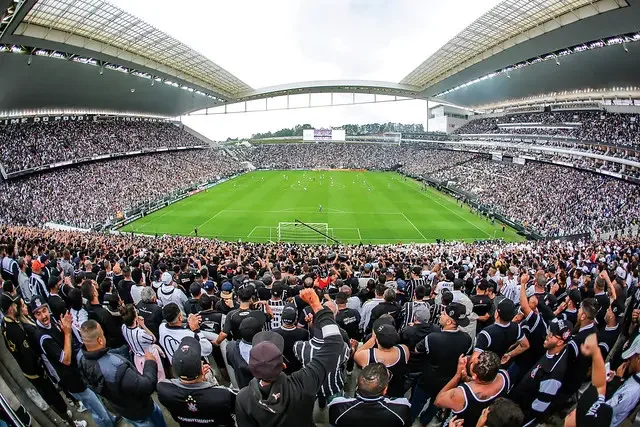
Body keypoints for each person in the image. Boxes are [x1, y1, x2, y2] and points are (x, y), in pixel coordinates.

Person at [235, 288, 345, 427]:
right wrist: (317, 305)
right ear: (283, 365)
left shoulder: (243, 398)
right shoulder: (303, 382)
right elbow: (334, 343)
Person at [1, 294, 85, 427]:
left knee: (55, 397)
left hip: (32, 369)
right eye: (17, 305)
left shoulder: (5, 324)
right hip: (36, 371)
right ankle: (70, 423)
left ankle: (67, 416)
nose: (19, 307)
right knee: (55, 399)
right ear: (11, 308)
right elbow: (28, 354)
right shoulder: (17, 330)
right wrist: (41, 368)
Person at [30, 296, 115, 427]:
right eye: (38, 313)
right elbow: (66, 359)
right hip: (72, 380)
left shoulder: (52, 320)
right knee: (97, 409)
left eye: (44, 310)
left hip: (78, 372)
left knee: (97, 403)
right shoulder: (43, 336)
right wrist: (67, 332)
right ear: (34, 315)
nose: (43, 316)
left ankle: (110, 419)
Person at [77, 320, 166, 427]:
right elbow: (146, 386)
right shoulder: (116, 367)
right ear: (100, 340)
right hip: (140, 410)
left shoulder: (80, 357)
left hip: (121, 408)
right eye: (103, 334)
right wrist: (150, 362)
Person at [410, 302, 472, 425]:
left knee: (417, 402)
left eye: (443, 314)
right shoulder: (467, 339)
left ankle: (409, 420)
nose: (440, 315)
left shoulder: (432, 338)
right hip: (448, 382)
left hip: (428, 380)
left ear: (449, 321)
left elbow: (417, 349)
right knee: (435, 404)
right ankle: (424, 421)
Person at [157, 337, 237, 426]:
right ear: (202, 370)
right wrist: (210, 382)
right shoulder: (224, 395)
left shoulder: (163, 389)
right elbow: (236, 410)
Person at [509, 318, 572, 425]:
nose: (548, 336)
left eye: (552, 335)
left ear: (560, 342)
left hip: (520, 415)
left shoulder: (553, 374)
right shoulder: (553, 351)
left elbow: (538, 409)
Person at [435, 351, 510, 427]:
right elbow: (484, 384)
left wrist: (457, 375)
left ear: (475, 376)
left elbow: (438, 401)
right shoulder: (504, 376)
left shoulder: (461, 394)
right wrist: (467, 379)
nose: (473, 359)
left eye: (471, 364)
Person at [328, 363, 411, 426]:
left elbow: (333, 423)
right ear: (385, 389)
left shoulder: (338, 406)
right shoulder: (401, 408)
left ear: (357, 383)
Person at [564, 333, 612, 427]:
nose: (572, 412)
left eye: (577, 413)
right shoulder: (598, 407)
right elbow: (600, 386)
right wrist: (595, 352)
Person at [354, 318, 409, 398]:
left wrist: (373, 339)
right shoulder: (404, 350)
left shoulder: (368, 355)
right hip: (395, 392)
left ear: (377, 340)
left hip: (372, 393)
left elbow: (356, 354)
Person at [473, 297, 530, 361]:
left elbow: (474, 359)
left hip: (486, 366)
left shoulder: (486, 333)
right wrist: (509, 354)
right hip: (499, 362)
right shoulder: (516, 328)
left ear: (497, 314)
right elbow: (525, 345)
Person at [121, 304, 166, 381]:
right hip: (150, 356)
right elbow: (153, 339)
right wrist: (143, 325)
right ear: (135, 317)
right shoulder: (140, 333)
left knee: (145, 378)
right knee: (159, 377)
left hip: (137, 357)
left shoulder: (123, 327)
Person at [605, 333, 640, 426]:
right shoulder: (635, 379)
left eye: (631, 356)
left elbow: (604, 410)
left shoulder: (631, 391)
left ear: (638, 358)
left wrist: (615, 382)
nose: (628, 359)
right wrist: (616, 380)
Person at [226, 316, 264, 389]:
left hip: (243, 387)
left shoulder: (231, 347)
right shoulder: (266, 351)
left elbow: (230, 362)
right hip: (262, 390)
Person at [272, 304, 309, 374]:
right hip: (298, 371)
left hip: (280, 370)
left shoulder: (273, 333)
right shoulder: (304, 333)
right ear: (295, 319)